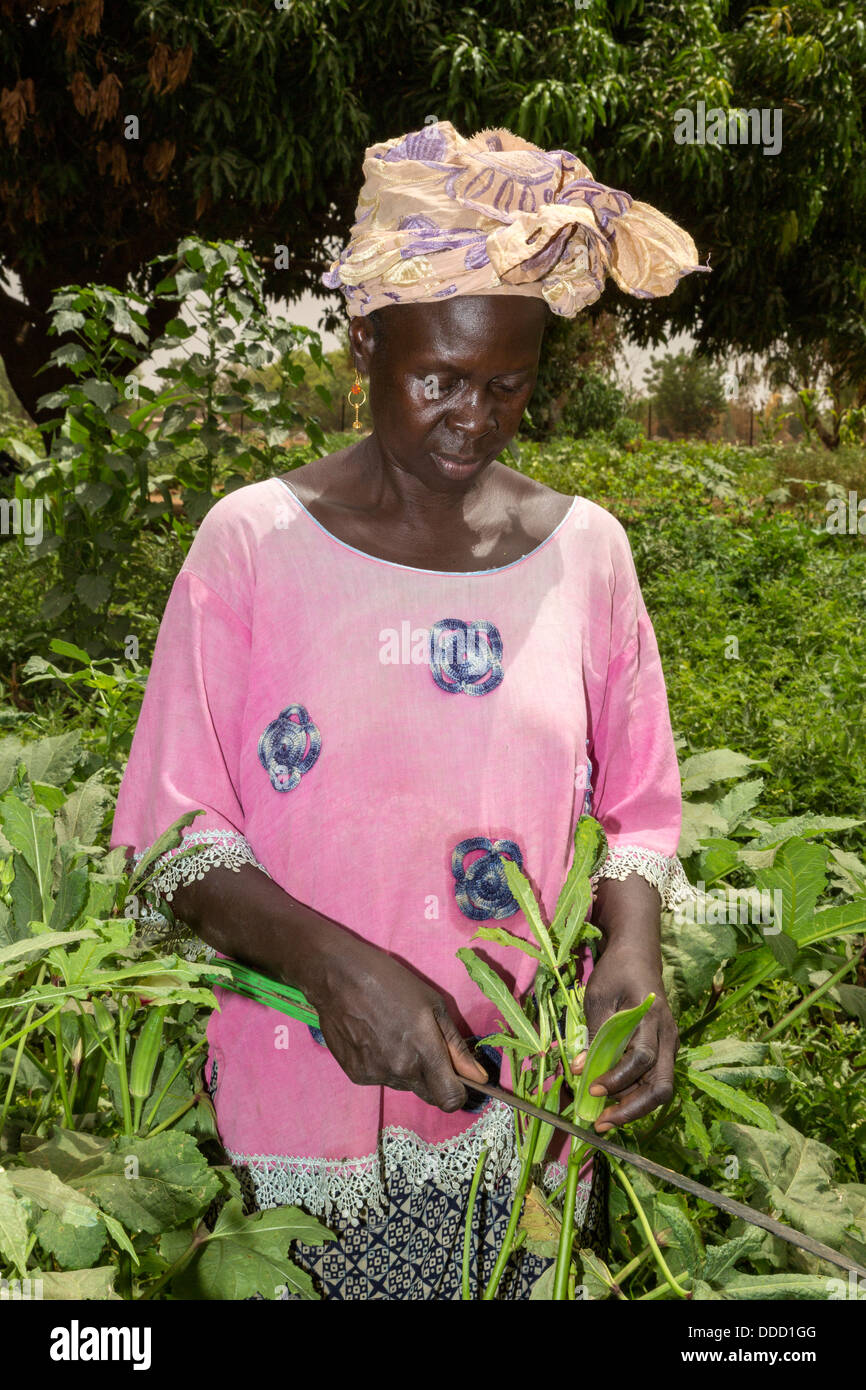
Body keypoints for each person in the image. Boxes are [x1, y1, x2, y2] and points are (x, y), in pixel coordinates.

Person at [111, 120, 706, 1301]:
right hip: (294, 1125)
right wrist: (336, 968)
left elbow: (636, 809)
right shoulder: (253, 545)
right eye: (435, 377)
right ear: (366, 340)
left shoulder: (585, 555)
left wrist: (630, 958)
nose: (470, 419)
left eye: (506, 385)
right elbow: (172, 842)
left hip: (519, 1120)